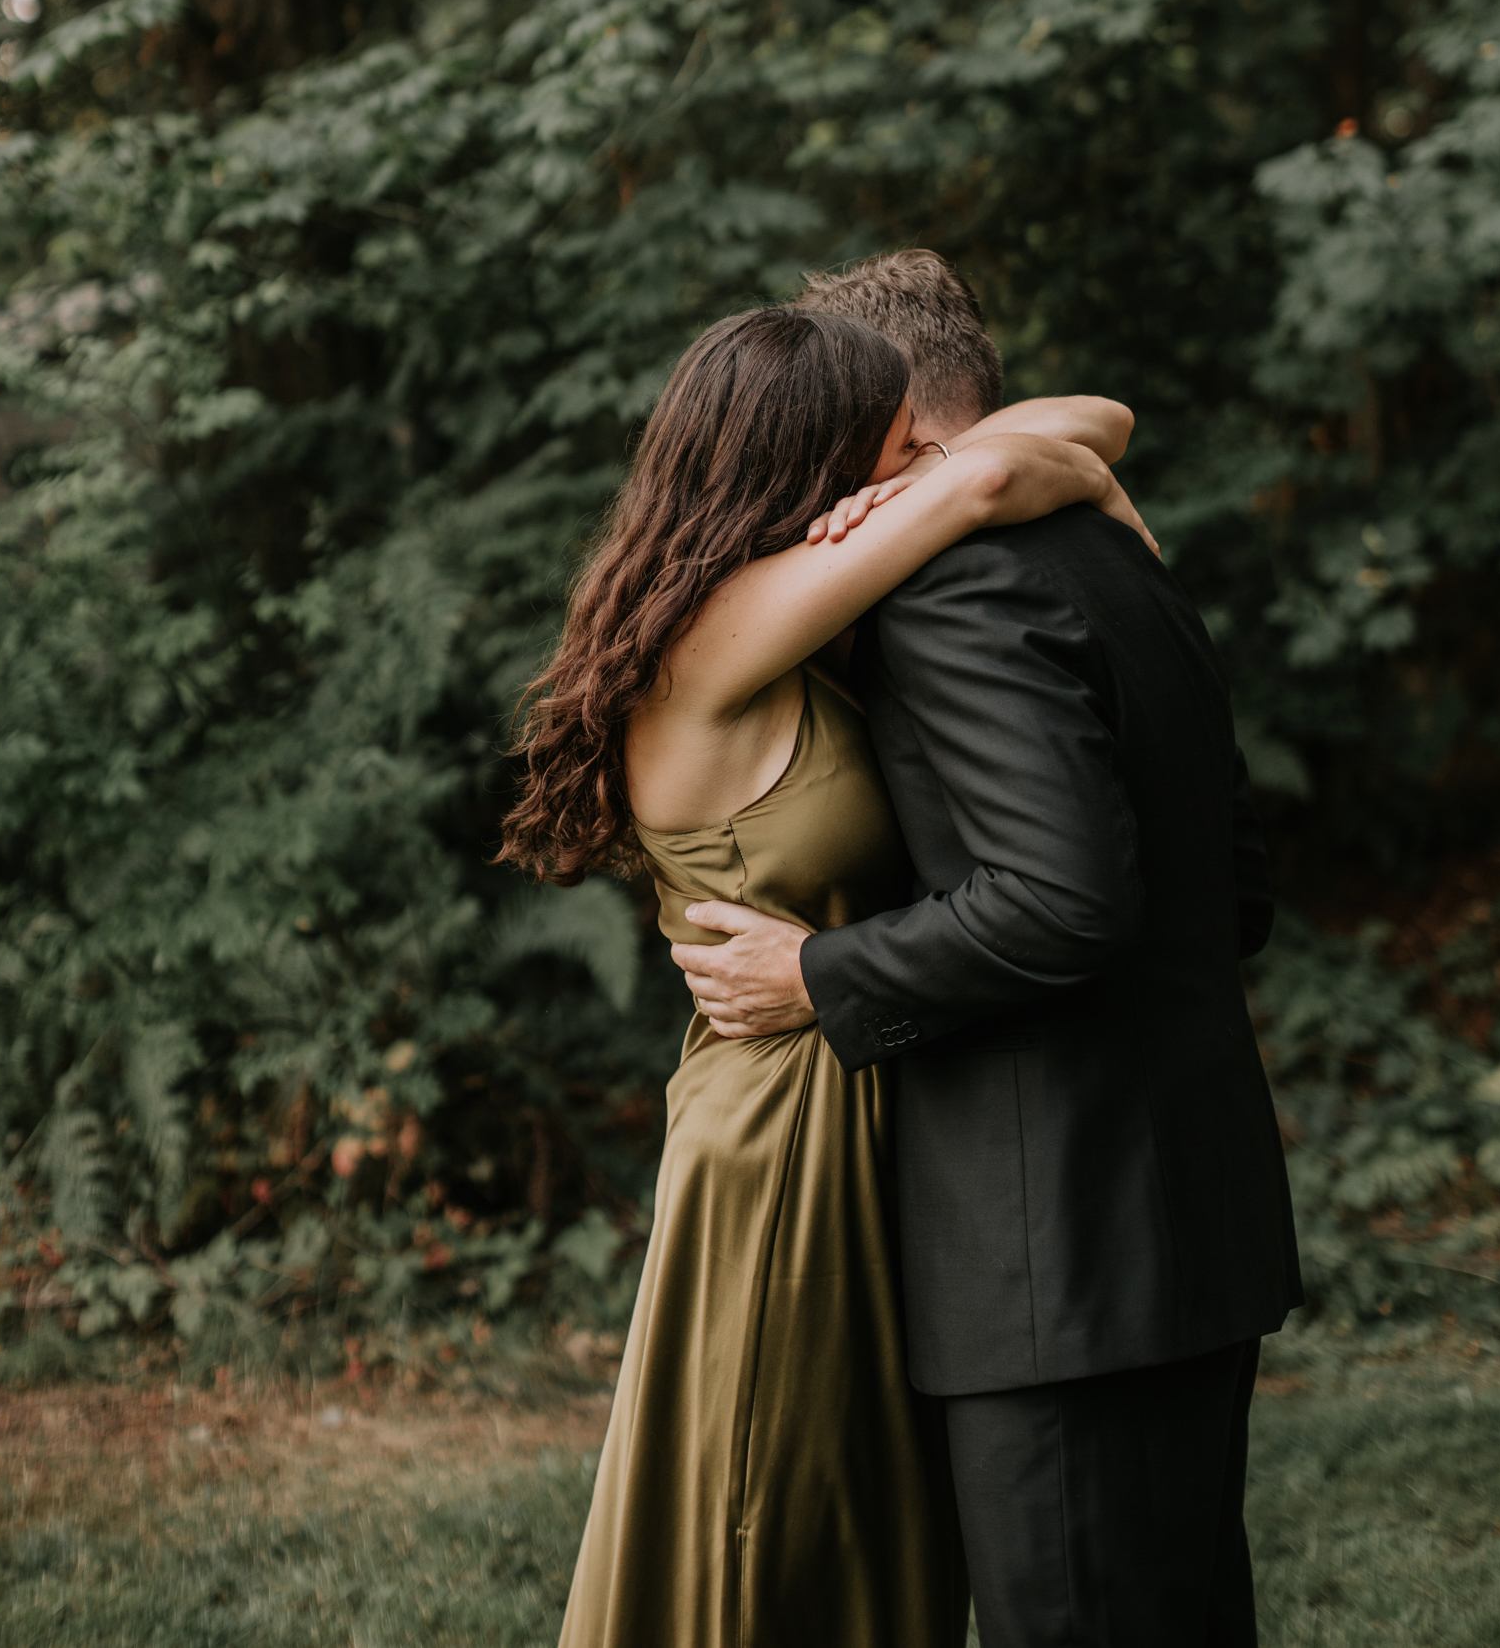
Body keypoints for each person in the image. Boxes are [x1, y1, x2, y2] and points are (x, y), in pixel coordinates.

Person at [677, 251, 1304, 1648]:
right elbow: (1238, 894)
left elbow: (1065, 902)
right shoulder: (1117, 556)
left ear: (892, 427)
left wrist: (816, 978)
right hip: (1185, 1223)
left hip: (1054, 1257)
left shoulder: (947, 592)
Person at [498, 300, 1147, 1648]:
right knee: (767, 1514)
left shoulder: (784, 596)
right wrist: (974, 486)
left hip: (858, 1077)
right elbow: (1028, 463)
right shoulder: (718, 631)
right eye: (882, 454)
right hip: (781, 1132)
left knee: (871, 1523)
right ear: (809, 470)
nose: (900, 480)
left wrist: (951, 479)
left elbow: (1094, 427)